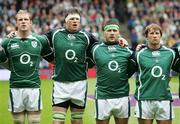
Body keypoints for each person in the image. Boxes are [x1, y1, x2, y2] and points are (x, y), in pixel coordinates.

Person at [44, 7, 99, 124]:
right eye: (72, 19)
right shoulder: (55, 34)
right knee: (57, 121)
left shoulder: (87, 36)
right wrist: (51, 58)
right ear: (65, 20)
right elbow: (39, 42)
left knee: (77, 121)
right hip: (60, 84)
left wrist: (89, 64)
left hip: (79, 84)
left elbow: (99, 50)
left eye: (77, 19)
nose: (75, 21)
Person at [0, 10, 53, 124]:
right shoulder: (7, 42)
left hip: (33, 87)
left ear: (31, 22)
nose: (23, 22)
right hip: (15, 87)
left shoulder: (40, 40)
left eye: (26, 19)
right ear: (16, 23)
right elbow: (4, 62)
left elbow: (53, 59)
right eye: (20, 19)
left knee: (34, 122)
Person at [91, 19, 135, 124]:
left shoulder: (127, 50)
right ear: (104, 33)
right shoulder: (95, 49)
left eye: (114, 31)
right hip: (102, 97)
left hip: (122, 96)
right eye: (109, 30)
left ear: (118, 33)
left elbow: (138, 62)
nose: (112, 33)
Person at [133, 23, 180, 124]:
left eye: (157, 33)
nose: (154, 35)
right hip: (144, 98)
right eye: (151, 33)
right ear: (146, 36)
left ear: (160, 35)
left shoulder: (170, 53)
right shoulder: (138, 54)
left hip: (164, 99)